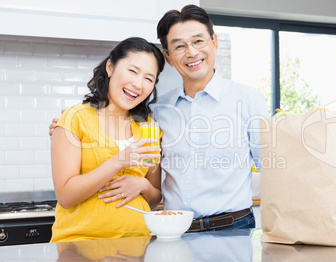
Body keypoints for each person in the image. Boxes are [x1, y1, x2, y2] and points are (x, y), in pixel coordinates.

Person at [49, 5, 269, 232]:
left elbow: (271, 171)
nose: (191, 52)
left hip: (233, 227)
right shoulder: (156, 111)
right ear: (169, 57)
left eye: (198, 41)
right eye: (180, 46)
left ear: (214, 42)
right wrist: (64, 128)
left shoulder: (248, 99)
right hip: (175, 230)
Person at [50, 37, 165, 242]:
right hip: (82, 247)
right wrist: (119, 161)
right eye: (132, 71)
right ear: (110, 67)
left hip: (138, 246)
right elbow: (66, 197)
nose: (138, 84)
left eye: (149, 78)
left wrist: (143, 185)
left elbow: (155, 197)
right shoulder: (76, 118)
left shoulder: (149, 129)